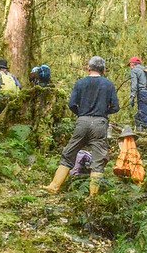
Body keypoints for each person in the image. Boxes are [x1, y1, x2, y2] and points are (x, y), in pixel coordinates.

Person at [43, 56, 120, 196]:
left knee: (69, 153)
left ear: (88, 68)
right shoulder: (108, 85)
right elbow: (115, 107)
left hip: (82, 121)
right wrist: (103, 112)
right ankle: (92, 196)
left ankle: (54, 186)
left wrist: (81, 114)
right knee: (98, 159)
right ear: (103, 70)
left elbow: (72, 104)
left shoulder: (80, 83)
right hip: (99, 123)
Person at [129, 57, 147, 132]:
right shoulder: (146, 70)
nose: (130, 67)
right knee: (139, 116)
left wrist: (132, 97)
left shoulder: (134, 70)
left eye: (130, 64)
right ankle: (140, 132)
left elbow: (134, 85)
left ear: (132, 64)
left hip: (143, 93)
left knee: (143, 115)